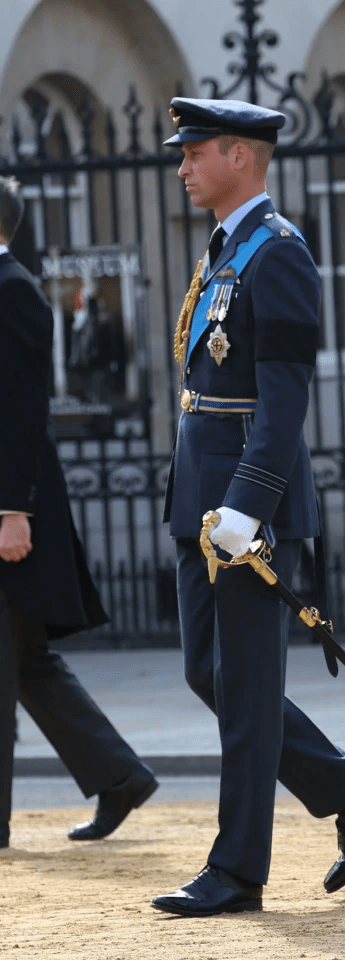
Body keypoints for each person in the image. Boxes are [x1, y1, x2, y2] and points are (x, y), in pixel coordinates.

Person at [152, 98, 345, 918]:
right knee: (210, 673)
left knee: (247, 687)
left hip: (243, 513)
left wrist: (246, 506)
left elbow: (283, 398)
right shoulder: (225, 250)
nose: (184, 165)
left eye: (195, 152)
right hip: (203, 503)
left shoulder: (279, 253)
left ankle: (237, 870)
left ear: (241, 156)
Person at [0, 175, 158, 850]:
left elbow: (22, 414)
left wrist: (13, 509)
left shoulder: (13, 292)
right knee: (27, 661)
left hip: (13, 509)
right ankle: (117, 776)